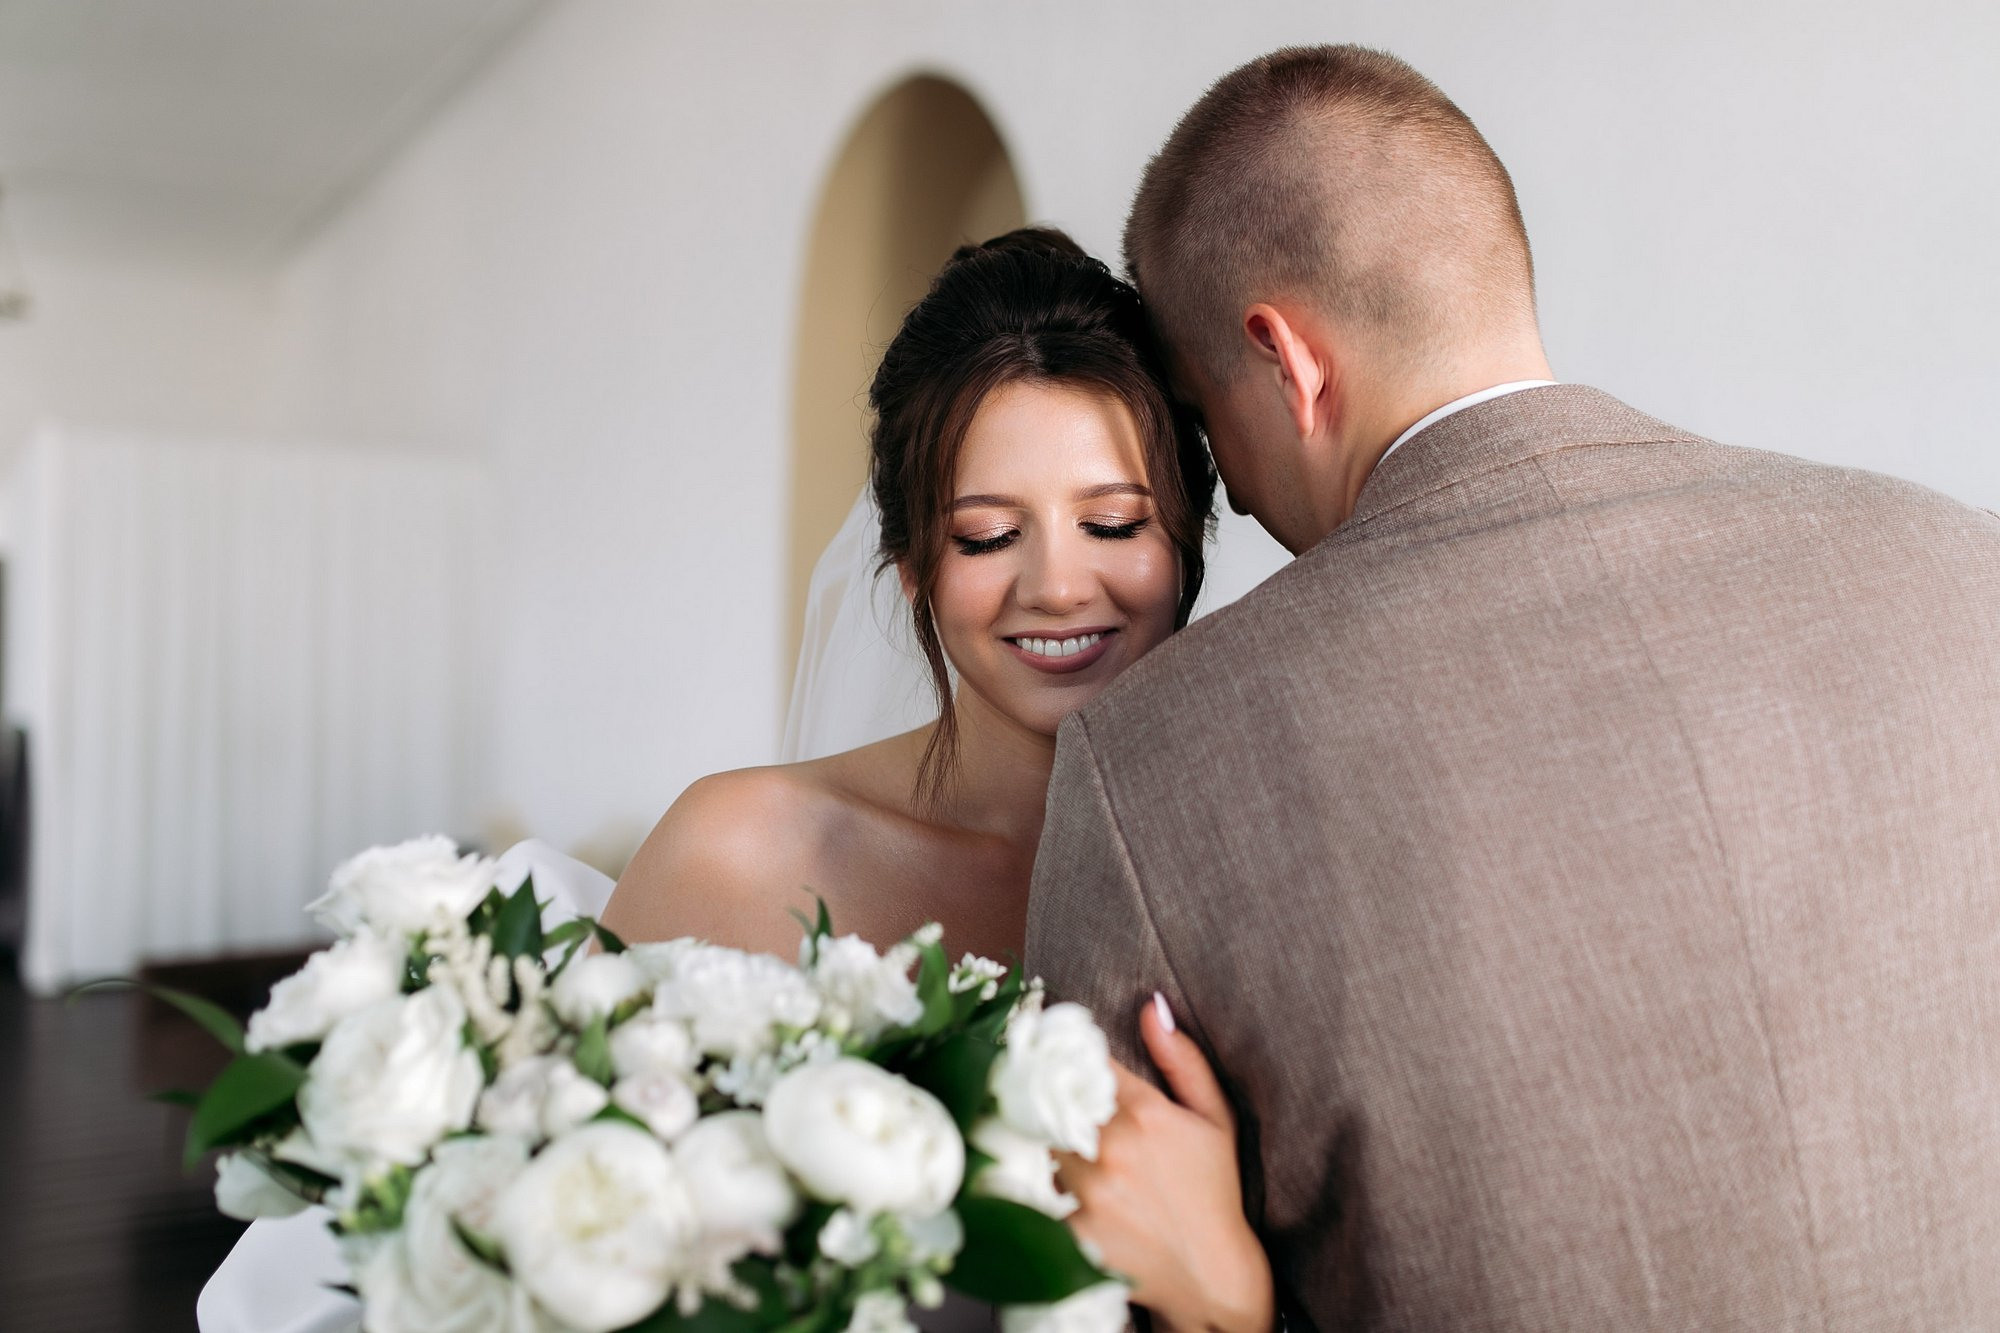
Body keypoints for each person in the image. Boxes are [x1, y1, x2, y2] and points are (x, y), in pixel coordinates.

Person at [1028, 43, 2000, 1331]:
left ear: (1285, 361)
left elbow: (1092, 1289)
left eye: (1209, 420)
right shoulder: (1958, 564)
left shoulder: (1149, 759)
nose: (1241, 494)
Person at [603, 227, 1276, 1333]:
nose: (1058, 586)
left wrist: (1231, 1305)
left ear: (1185, 540)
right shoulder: (737, 855)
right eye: (985, 536)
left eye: (1111, 523)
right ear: (912, 564)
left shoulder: (1266, 872)